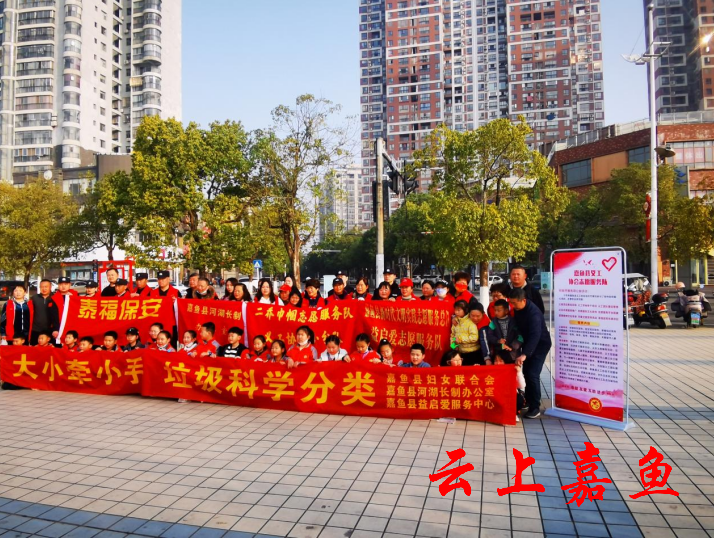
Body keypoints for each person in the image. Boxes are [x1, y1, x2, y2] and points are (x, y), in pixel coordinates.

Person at [509, 287, 552, 419]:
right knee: (527, 372)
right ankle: (527, 400)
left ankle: (535, 407)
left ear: (523, 300)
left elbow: (535, 335)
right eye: (511, 303)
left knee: (533, 374)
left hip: (540, 344)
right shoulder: (518, 309)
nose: (513, 306)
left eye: (515, 303)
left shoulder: (534, 313)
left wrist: (525, 354)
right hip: (528, 344)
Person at [481, 299, 522, 365]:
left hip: (513, 354)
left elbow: (520, 337)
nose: (496, 313)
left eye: (499, 311)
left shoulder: (513, 322)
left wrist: (512, 346)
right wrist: (498, 341)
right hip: (500, 353)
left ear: (506, 311)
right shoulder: (493, 323)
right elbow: (490, 336)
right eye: (495, 310)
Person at [451, 300, 482, 366]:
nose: (456, 312)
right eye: (455, 310)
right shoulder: (455, 322)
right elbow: (453, 336)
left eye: (459, 310)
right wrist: (453, 346)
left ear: (465, 310)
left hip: (473, 353)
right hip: (461, 353)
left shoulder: (470, 322)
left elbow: (474, 337)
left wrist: (460, 339)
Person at [29, 280, 59, 345]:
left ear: (50, 287)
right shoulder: (34, 298)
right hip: (36, 329)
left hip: (51, 330)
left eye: (46, 287)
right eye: (42, 287)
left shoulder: (55, 298)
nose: (44, 289)